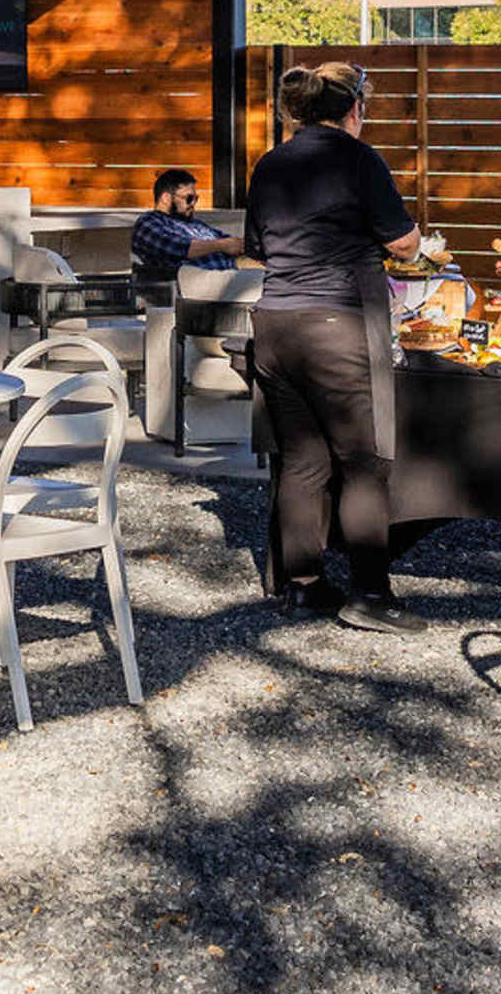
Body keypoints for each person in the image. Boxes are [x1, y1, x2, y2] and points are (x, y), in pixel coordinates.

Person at [241, 61, 424, 631]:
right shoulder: (359, 158)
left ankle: (304, 587)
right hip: (339, 325)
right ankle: (370, 595)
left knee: (302, 459)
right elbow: (403, 243)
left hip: (274, 325)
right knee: (364, 463)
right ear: (354, 111)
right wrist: (413, 243)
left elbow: (257, 247)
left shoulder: (270, 163)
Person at [131, 166, 239, 297]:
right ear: (166, 198)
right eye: (189, 198)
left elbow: (231, 243)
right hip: (191, 292)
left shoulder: (196, 224)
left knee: (265, 280)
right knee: (262, 287)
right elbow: (178, 248)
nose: (193, 203)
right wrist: (222, 245)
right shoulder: (149, 222)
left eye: (195, 198)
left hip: (227, 284)